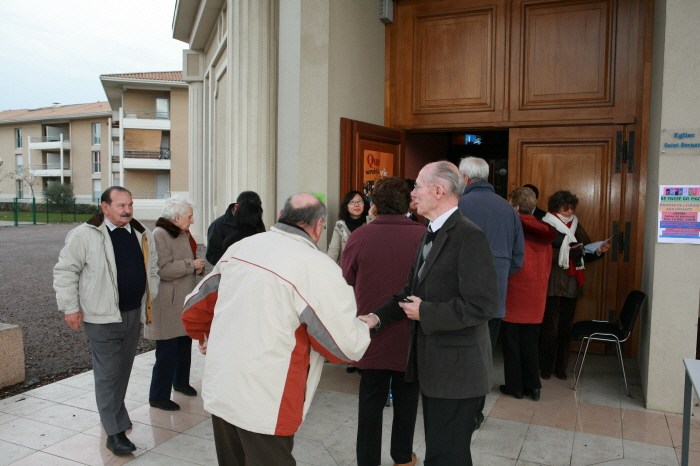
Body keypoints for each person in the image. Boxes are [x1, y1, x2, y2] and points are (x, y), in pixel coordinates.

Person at [181, 193, 371, 465]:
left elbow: (193, 308)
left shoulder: (240, 248)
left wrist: (207, 336)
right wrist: (364, 327)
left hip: (223, 384)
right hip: (268, 398)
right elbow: (344, 347)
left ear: (281, 215)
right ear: (319, 225)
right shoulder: (318, 267)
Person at [361, 161, 499, 466]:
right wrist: (377, 317)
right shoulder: (429, 233)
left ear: (438, 191)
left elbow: (484, 305)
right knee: (439, 451)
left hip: (458, 371)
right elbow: (408, 292)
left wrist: (426, 312)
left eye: (417, 187)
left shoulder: (468, 235)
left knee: (447, 456)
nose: (412, 193)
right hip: (435, 368)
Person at [53, 186, 159, 456]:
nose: (127, 210)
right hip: (101, 316)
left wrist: (151, 294)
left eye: (130, 205)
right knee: (108, 373)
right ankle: (114, 433)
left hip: (132, 313)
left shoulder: (142, 233)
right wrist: (70, 308)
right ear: (105, 207)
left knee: (122, 369)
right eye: (121, 205)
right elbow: (65, 271)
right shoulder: (84, 235)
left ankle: (116, 417)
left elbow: (152, 269)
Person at [341, 177, 426, 466]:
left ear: (375, 203)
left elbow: (346, 278)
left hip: (371, 330)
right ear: (408, 203)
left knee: (370, 401)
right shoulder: (423, 235)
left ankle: (367, 461)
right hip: (411, 331)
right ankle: (402, 456)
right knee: (407, 399)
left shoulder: (360, 235)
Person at [457, 156, 524, 427]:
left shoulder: (457, 205)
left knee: (459, 355)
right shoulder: (508, 209)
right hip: (495, 296)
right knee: (484, 356)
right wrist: (497, 276)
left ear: (464, 178)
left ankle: (457, 411)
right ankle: (476, 412)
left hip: (459, 297)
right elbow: (518, 258)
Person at [539, 190, 611, 380]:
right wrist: (568, 253)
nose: (570, 211)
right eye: (566, 208)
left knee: (565, 329)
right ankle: (545, 367)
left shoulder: (576, 224)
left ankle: (561, 368)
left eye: (572, 208)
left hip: (572, 283)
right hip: (552, 283)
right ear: (556, 208)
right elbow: (541, 255)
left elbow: (585, 251)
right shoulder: (546, 224)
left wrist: (598, 251)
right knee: (549, 330)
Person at [144, 196, 205, 411]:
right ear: (177, 217)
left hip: (182, 300)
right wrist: (190, 265)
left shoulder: (182, 233)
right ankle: (158, 395)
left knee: (183, 345)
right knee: (167, 351)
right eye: (190, 216)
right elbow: (162, 269)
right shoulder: (160, 235)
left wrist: (196, 268)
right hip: (167, 304)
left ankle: (180, 382)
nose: (192, 220)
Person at [500, 188, 556, 401]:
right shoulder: (546, 231)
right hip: (537, 295)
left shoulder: (512, 228)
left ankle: (515, 387)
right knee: (531, 342)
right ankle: (533, 386)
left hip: (514, 293)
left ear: (515, 207)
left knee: (511, 342)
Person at [206, 191, 265, 265]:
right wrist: (233, 263)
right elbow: (212, 255)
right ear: (236, 207)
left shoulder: (257, 223)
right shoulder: (218, 225)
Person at [327, 190, 371, 265]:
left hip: (366, 267)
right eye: (352, 202)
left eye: (360, 201)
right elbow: (333, 252)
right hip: (346, 268)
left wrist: (371, 214)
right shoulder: (340, 226)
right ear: (346, 206)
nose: (356, 205)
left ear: (364, 204)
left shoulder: (371, 224)